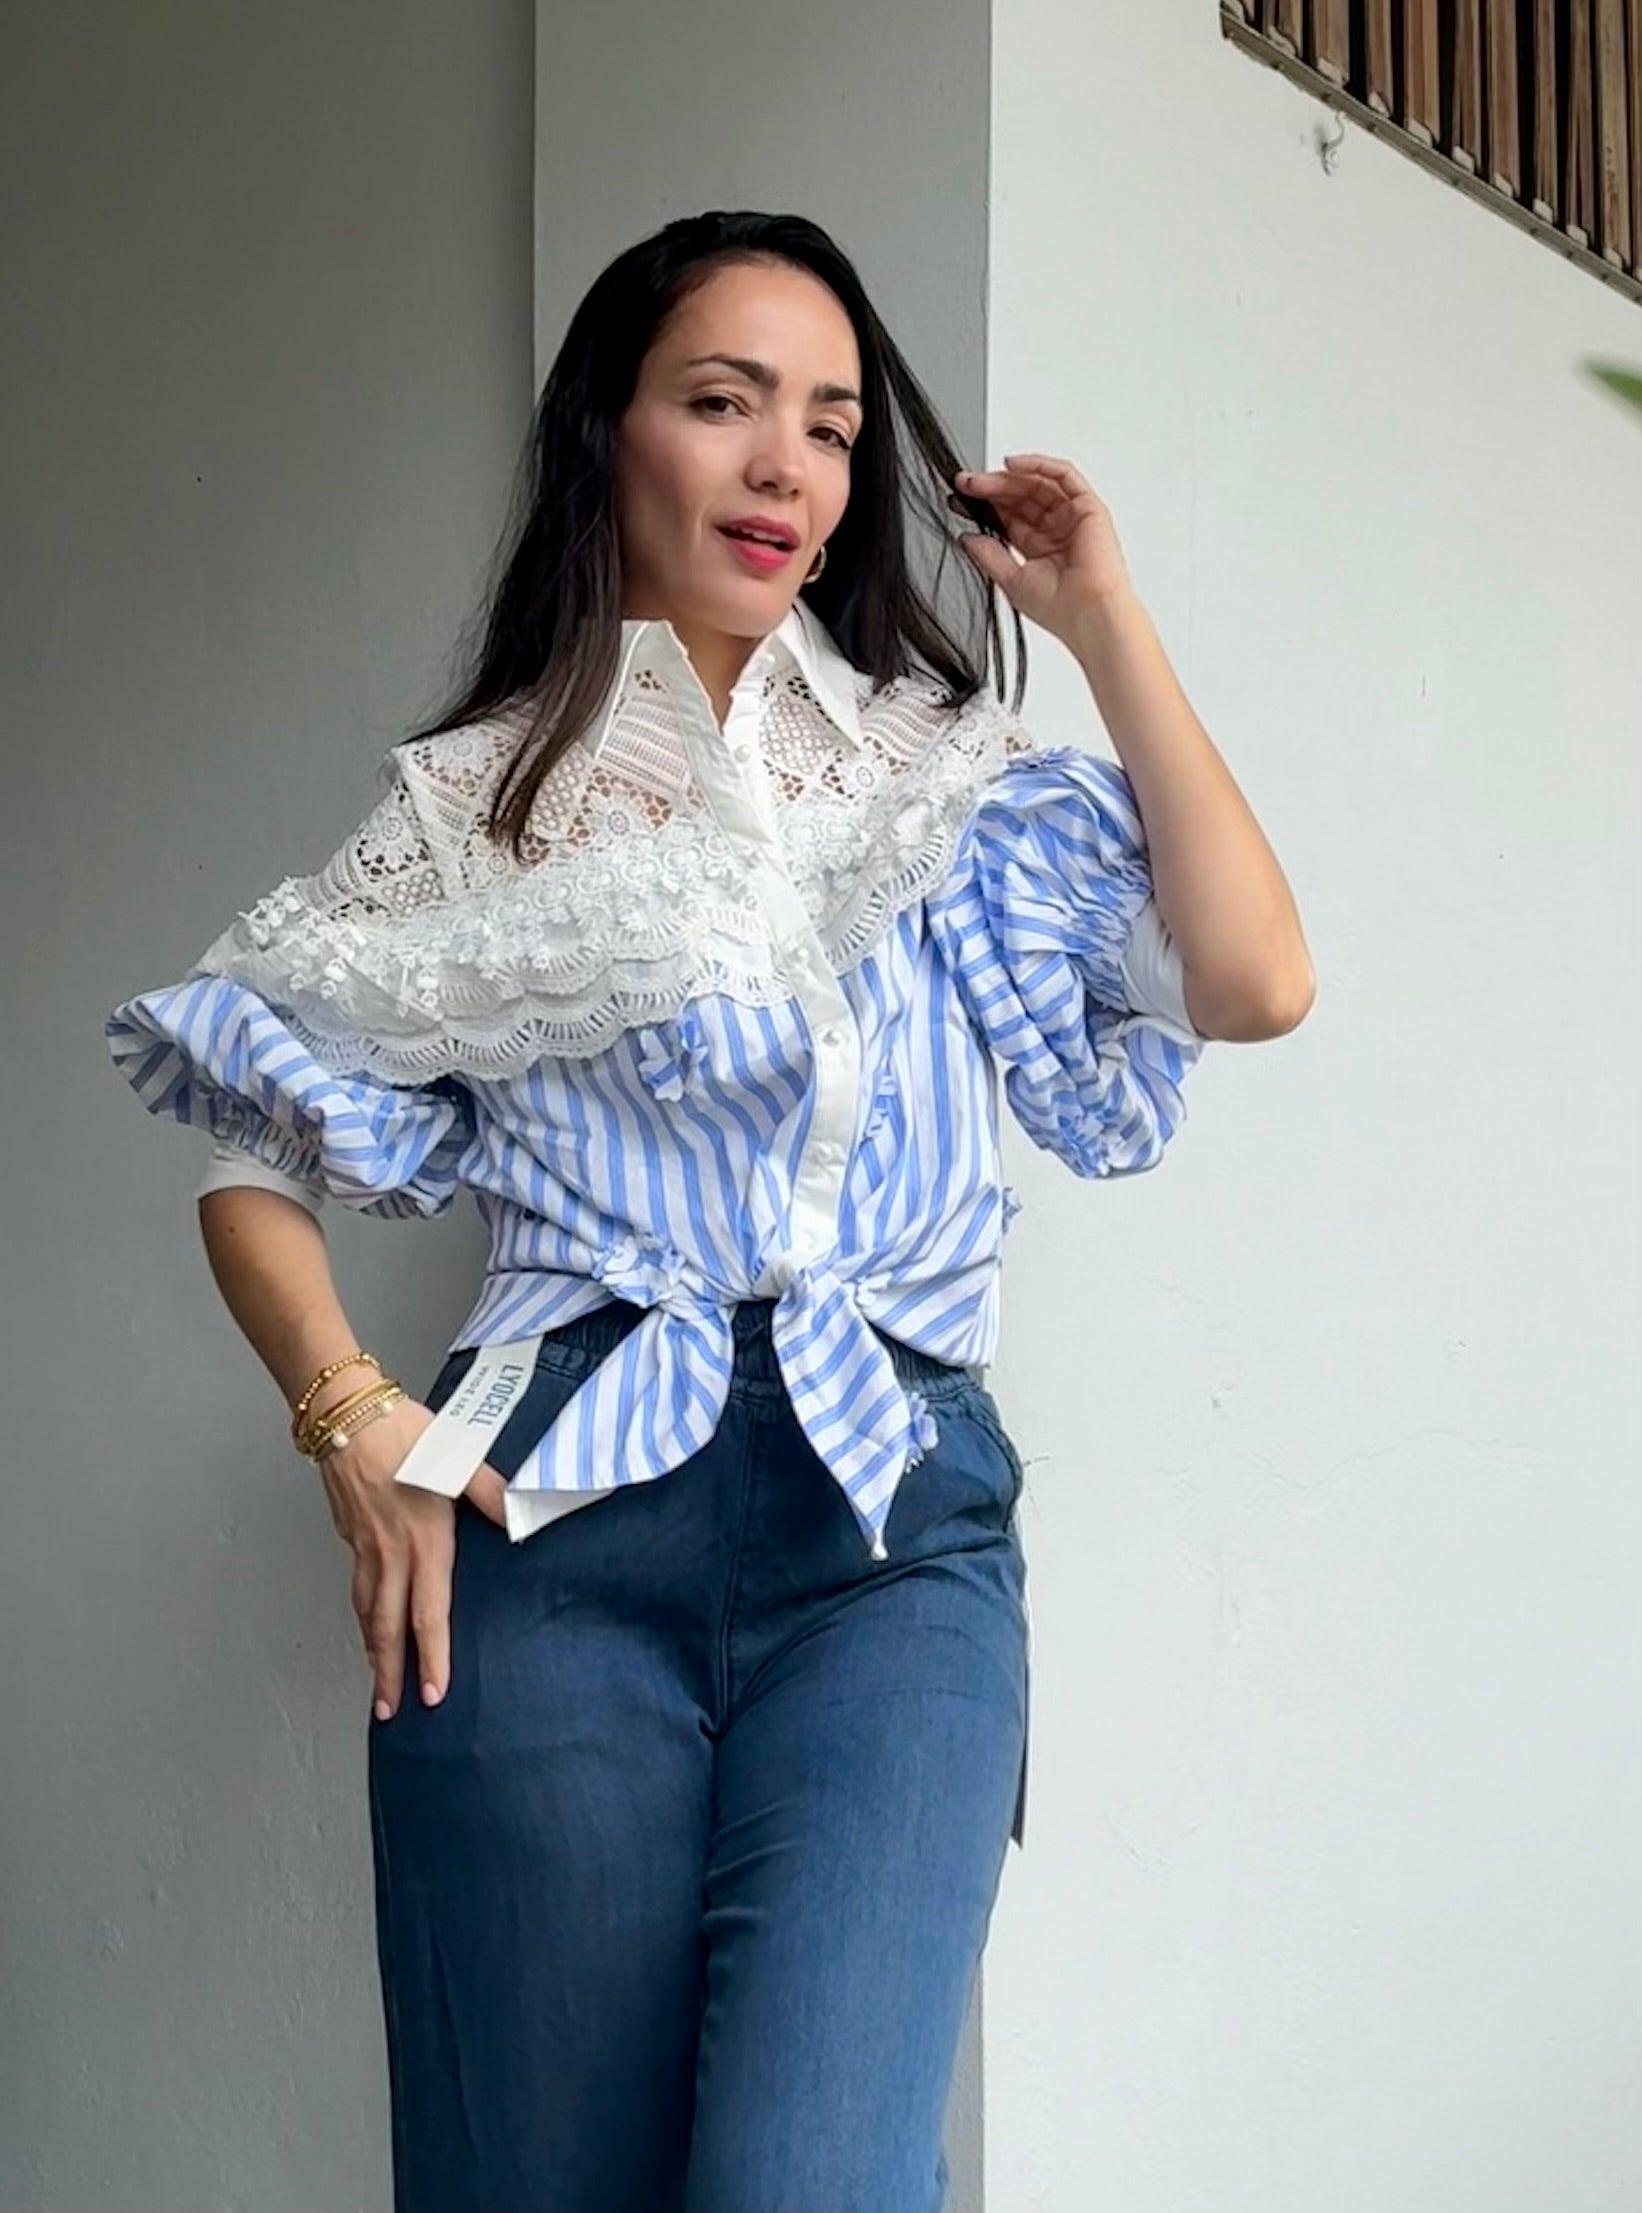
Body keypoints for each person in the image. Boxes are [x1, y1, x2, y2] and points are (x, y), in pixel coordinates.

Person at [106, 209, 1313, 2213]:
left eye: (831, 427)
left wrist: (1102, 622)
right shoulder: (469, 817)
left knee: (809, 2179)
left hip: (888, 1540)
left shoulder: (941, 789)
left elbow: (1254, 980)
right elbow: (251, 1157)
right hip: (540, 1534)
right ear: (611, 435)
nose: (786, 466)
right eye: (722, 402)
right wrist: (352, 1427)